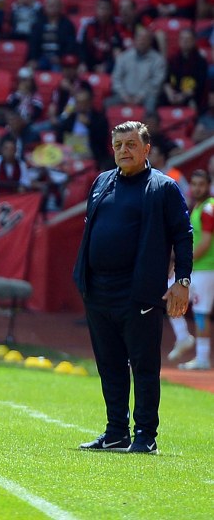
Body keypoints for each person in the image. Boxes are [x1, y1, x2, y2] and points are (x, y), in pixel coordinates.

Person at [74, 121, 192, 455]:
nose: (123, 151)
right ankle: (115, 432)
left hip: (138, 291)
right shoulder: (101, 182)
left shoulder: (163, 188)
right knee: (109, 364)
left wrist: (181, 281)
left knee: (143, 364)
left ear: (146, 148)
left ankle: (145, 435)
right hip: (98, 289)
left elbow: (183, 236)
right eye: (118, 145)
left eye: (130, 144)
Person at [178, 169, 214, 370]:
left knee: (201, 313)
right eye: (194, 184)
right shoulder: (197, 207)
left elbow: (206, 242)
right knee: (170, 295)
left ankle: (202, 358)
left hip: (206, 269)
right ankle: (183, 337)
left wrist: (186, 261)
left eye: (201, 184)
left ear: (208, 186)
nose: (197, 188)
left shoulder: (208, 209)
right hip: (198, 269)